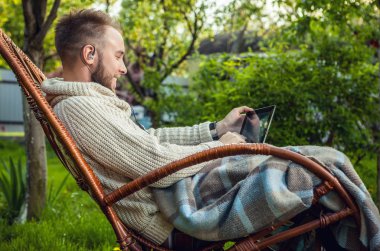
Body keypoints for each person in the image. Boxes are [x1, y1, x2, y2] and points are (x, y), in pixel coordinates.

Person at [42, 9, 379, 250]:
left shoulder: (86, 101)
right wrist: (223, 149)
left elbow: (149, 140)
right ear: (89, 54)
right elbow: (153, 163)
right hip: (175, 212)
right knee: (321, 167)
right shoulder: (79, 108)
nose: (123, 67)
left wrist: (216, 131)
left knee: (311, 167)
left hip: (177, 191)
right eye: (118, 56)